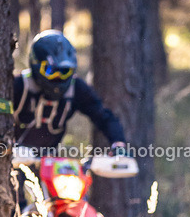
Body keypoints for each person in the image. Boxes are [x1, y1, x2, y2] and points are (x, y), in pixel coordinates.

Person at [13, 29, 127, 157]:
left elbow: (103, 116)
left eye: (65, 71)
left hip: (48, 162)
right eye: (50, 71)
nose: (58, 77)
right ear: (35, 65)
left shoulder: (76, 88)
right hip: (11, 159)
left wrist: (118, 144)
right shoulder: (19, 85)